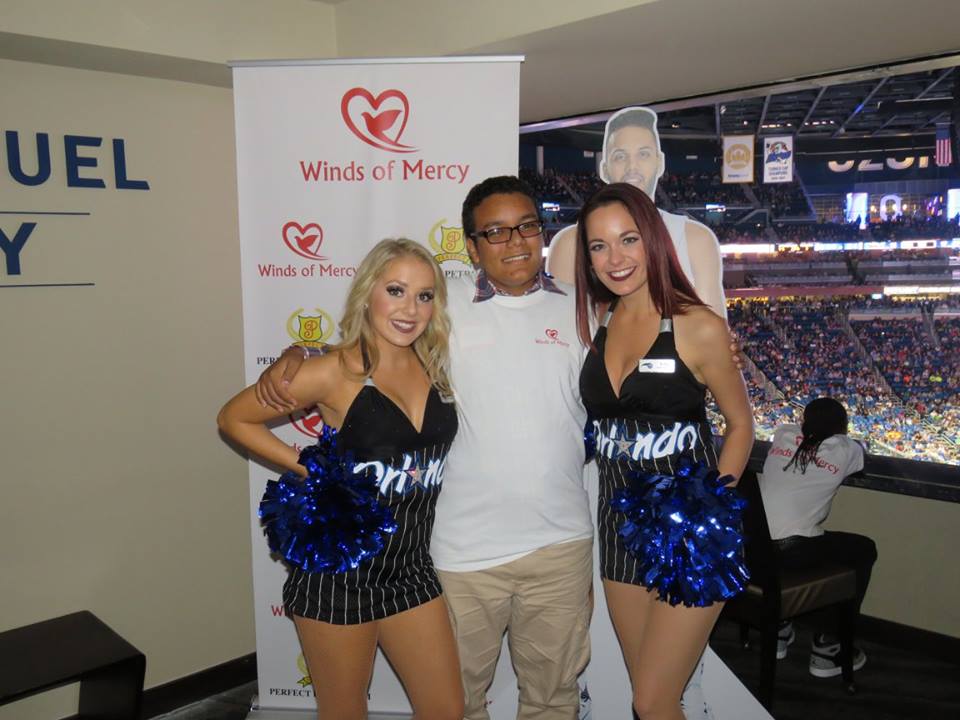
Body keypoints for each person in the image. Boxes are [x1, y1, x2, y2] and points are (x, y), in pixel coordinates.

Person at [259, 177, 594, 720]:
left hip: (560, 545)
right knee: (457, 705)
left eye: (527, 226)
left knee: (553, 700)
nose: (515, 241)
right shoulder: (442, 300)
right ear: (472, 247)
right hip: (460, 553)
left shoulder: (585, 310)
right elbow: (368, 337)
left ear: (543, 231)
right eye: (495, 231)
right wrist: (299, 351)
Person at [218, 239, 463, 720]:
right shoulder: (335, 371)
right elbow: (233, 418)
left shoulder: (435, 364)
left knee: (446, 709)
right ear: (368, 293)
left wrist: (301, 347)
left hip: (410, 569)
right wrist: (312, 469)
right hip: (339, 575)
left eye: (424, 295)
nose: (410, 309)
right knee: (344, 712)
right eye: (395, 290)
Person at [576, 183, 754, 720]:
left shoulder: (699, 325)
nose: (615, 258)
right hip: (619, 530)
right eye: (599, 246)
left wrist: (711, 513)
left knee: (652, 702)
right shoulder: (595, 319)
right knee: (651, 696)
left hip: (691, 534)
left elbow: (741, 425)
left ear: (653, 238)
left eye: (628, 239)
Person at [547, 106, 727, 319]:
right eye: (620, 157)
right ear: (604, 169)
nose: (632, 166)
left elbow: (715, 331)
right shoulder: (570, 244)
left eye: (643, 154)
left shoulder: (696, 240)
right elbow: (559, 329)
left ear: (659, 163)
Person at [760, 397, 877, 677]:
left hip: (756, 546)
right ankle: (829, 643)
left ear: (804, 421)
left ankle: (779, 627)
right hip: (795, 551)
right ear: (843, 427)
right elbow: (859, 460)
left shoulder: (784, 434)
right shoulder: (845, 449)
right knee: (864, 549)